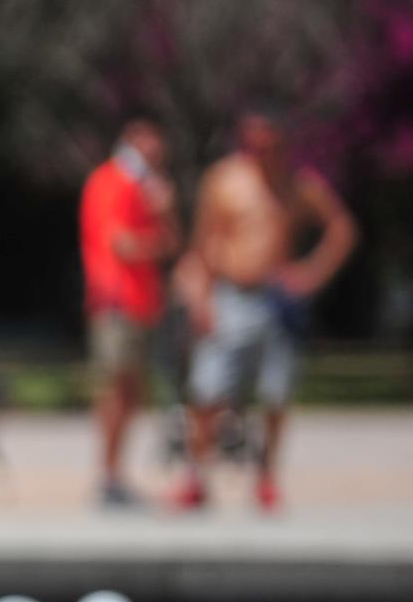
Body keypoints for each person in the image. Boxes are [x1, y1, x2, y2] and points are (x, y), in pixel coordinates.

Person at [174, 110, 357, 513]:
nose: (261, 151)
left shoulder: (299, 185)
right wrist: (202, 299)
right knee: (207, 392)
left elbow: (341, 227)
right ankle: (196, 477)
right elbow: (203, 243)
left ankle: (267, 476)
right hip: (229, 294)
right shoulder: (225, 179)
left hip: (275, 298)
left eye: (269, 144)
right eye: (254, 143)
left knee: (276, 394)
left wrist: (312, 273)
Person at [79, 119, 179, 508]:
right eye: (149, 150)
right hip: (116, 301)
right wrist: (158, 237)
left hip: (140, 303)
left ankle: (114, 475)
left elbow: (171, 241)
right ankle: (107, 478)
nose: (154, 158)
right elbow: (121, 244)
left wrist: (165, 213)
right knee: (115, 391)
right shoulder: (112, 181)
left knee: (132, 393)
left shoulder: (146, 188)